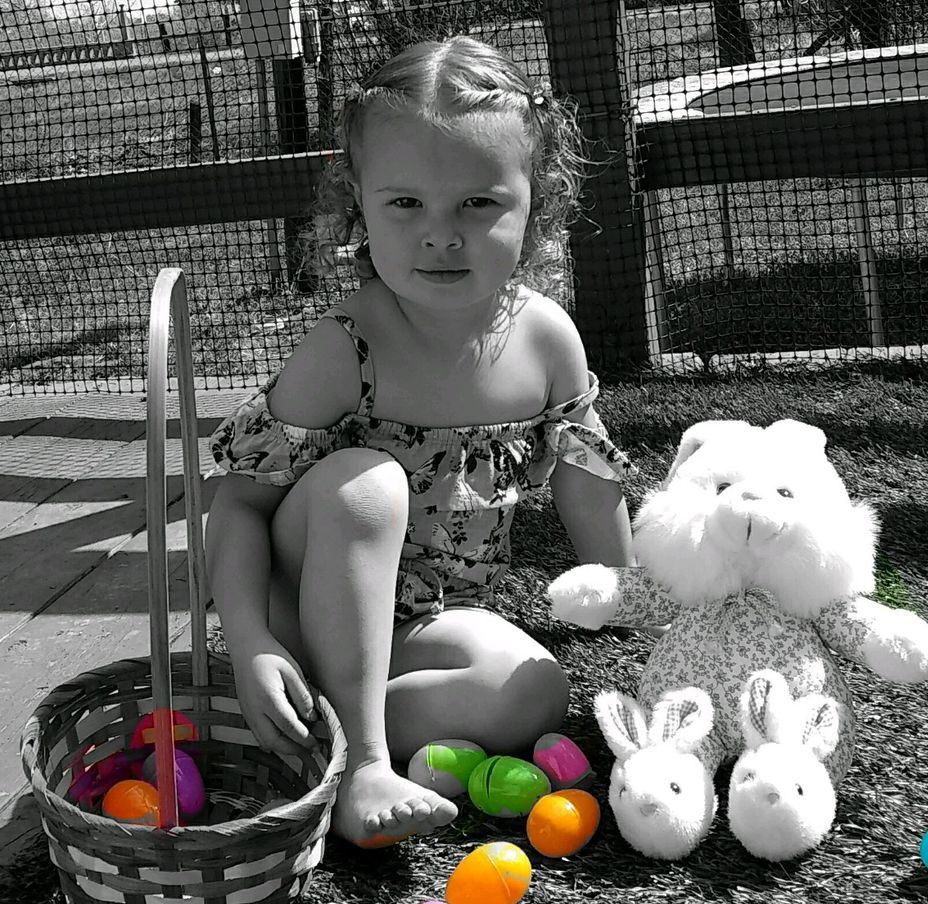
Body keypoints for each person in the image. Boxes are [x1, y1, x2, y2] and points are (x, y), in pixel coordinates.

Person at [205, 35, 635, 848]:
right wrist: (256, 641)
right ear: (359, 206)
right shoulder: (346, 347)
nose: (441, 235)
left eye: (478, 204)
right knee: (367, 483)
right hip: (303, 605)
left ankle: (308, 725)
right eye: (405, 205)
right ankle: (364, 763)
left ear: (535, 203)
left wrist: (640, 605)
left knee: (533, 692)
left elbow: (585, 480)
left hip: (422, 625)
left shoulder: (547, 342)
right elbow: (238, 506)